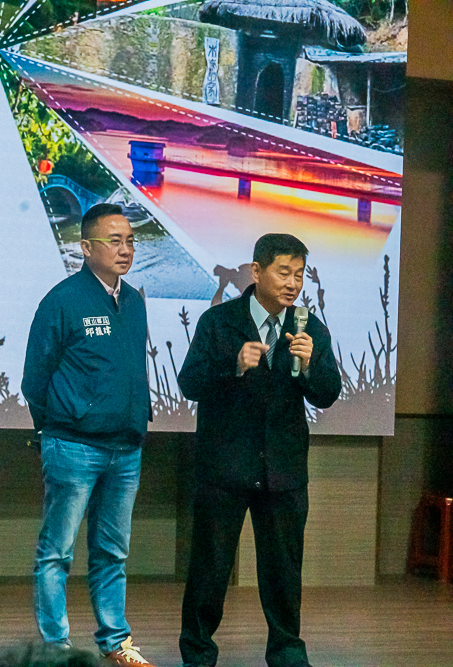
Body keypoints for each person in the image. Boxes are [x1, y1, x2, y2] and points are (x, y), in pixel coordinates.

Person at [176, 234, 341, 667]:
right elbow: (190, 382)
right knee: (210, 568)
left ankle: (287, 652)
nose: (293, 283)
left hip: (283, 470)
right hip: (224, 467)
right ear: (256, 271)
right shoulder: (219, 322)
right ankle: (197, 653)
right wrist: (233, 365)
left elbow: (328, 394)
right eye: (283, 272)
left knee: (284, 571)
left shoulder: (309, 327)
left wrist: (309, 365)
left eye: (299, 275)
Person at [21, 203, 154, 667]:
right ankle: (56, 649)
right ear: (85, 247)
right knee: (56, 553)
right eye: (114, 241)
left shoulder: (133, 301)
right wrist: (59, 425)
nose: (125, 249)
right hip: (73, 446)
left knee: (113, 552)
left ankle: (116, 642)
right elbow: (35, 379)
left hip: (126, 448)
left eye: (130, 241)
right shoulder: (62, 300)